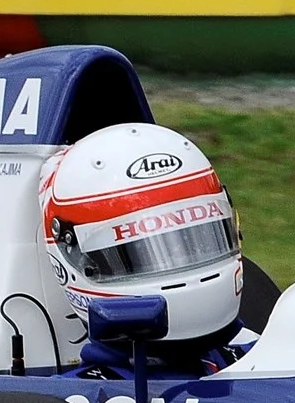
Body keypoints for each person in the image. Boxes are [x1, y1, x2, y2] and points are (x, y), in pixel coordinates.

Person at [41, 123, 250, 378]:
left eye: (198, 240)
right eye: (132, 253)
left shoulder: (257, 354)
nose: (180, 263)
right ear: (69, 252)